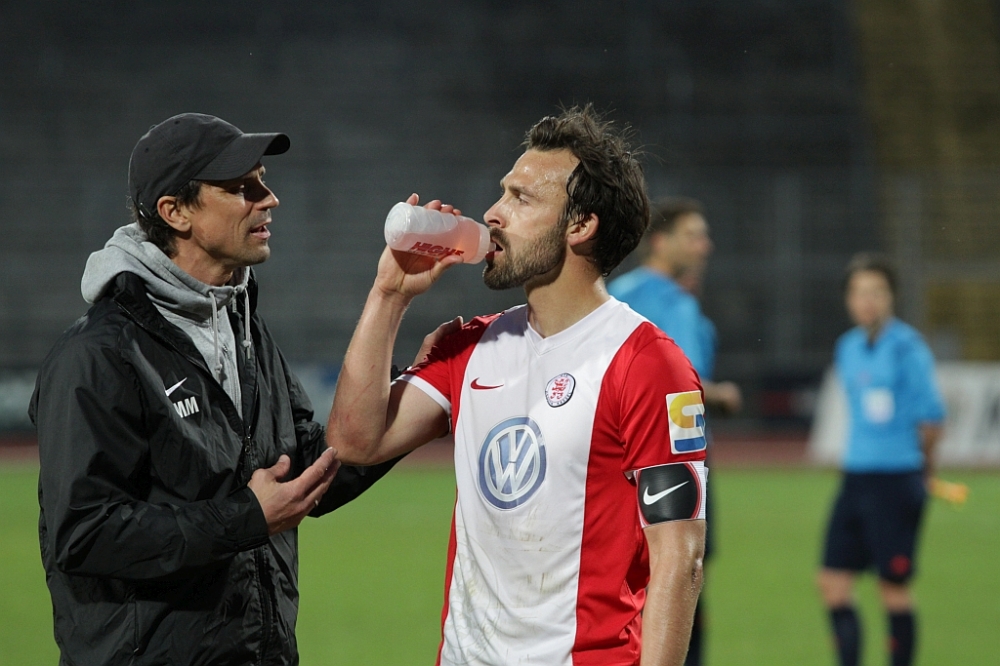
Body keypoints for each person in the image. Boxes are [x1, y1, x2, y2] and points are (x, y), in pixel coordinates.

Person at [327, 106, 707, 666]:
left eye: (521, 198)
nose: (492, 213)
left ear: (580, 226)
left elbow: (679, 556)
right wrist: (389, 295)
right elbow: (355, 441)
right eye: (503, 192)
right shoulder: (470, 346)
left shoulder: (648, 364)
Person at [30, 113, 402, 665]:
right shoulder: (98, 354)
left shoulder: (242, 325)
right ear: (175, 212)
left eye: (263, 182)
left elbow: (302, 467)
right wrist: (246, 517)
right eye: (241, 188)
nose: (269, 199)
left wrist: (424, 391)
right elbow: (85, 533)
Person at [608, 197, 741, 665]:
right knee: (683, 570)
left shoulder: (615, 293)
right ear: (660, 242)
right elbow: (686, 389)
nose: (705, 246)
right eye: (693, 235)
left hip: (618, 457)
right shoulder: (674, 303)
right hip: (676, 460)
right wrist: (721, 395)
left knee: (628, 575)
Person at [816, 252, 945, 666]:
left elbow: (931, 420)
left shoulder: (908, 348)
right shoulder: (847, 347)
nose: (867, 301)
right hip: (856, 477)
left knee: (893, 587)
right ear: (848, 300)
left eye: (876, 292)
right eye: (859, 292)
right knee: (832, 581)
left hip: (896, 479)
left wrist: (924, 469)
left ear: (891, 297)